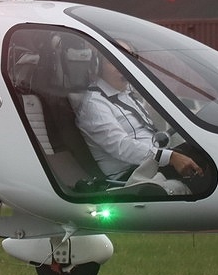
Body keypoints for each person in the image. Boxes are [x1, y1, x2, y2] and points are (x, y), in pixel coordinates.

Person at [73, 51, 204, 191]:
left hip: (153, 161)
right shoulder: (95, 105)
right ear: (98, 66)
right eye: (112, 61)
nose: (121, 65)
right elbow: (122, 146)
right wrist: (170, 157)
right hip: (132, 173)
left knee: (203, 150)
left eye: (126, 59)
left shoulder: (126, 94)